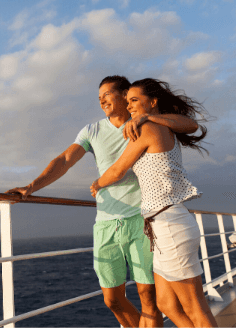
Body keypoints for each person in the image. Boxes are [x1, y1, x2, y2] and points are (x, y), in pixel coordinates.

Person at [6, 76, 198, 328]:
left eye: (107, 94)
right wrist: (31, 187)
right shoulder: (92, 131)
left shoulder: (143, 122)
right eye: (99, 98)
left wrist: (147, 117)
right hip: (106, 222)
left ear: (124, 95)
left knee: (148, 298)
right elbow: (65, 159)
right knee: (112, 300)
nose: (102, 100)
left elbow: (187, 124)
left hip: (142, 220)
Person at [90, 78, 218, 328]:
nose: (129, 107)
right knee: (166, 305)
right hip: (160, 227)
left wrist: (97, 184)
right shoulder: (158, 124)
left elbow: (117, 170)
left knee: (195, 307)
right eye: (127, 102)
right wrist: (146, 117)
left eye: (134, 101)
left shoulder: (149, 128)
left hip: (170, 224)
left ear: (153, 101)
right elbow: (188, 124)